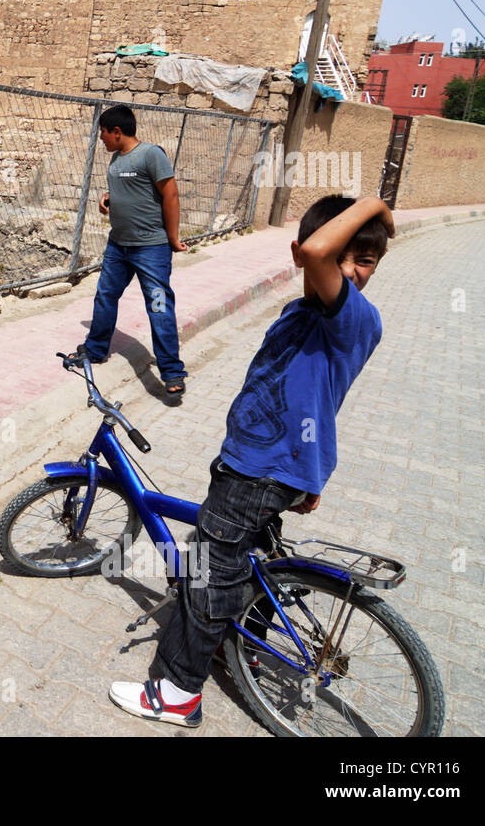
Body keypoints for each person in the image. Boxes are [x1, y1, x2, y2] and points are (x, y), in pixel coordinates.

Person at [108, 193, 394, 727]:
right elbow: (313, 394)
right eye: (345, 260)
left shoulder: (354, 318)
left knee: (206, 574)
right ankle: (239, 647)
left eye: (366, 261)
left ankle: (175, 691)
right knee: (241, 563)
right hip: (263, 464)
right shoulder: (301, 312)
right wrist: (308, 473)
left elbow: (317, 251)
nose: (353, 272)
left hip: (259, 470)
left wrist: (376, 204)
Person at [81, 105, 189, 395]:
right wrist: (108, 198)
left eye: (103, 132)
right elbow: (130, 192)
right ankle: (94, 350)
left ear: (116, 132)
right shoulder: (116, 160)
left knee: (158, 305)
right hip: (118, 246)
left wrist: (173, 238)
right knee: (105, 296)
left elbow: (171, 195)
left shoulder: (152, 154)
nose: (100, 138)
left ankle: (172, 372)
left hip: (150, 248)